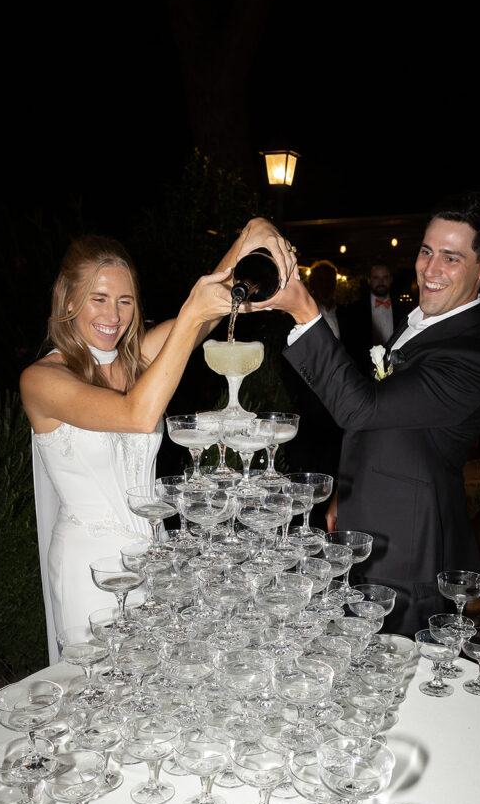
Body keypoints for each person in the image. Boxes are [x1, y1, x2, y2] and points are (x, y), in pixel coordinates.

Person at [21, 224, 295, 662]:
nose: (114, 315)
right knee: (103, 695)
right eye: (99, 298)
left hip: (155, 554)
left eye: (125, 301)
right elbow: (138, 415)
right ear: (69, 300)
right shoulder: (42, 380)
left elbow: (206, 312)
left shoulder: (136, 360)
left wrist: (249, 238)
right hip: (92, 569)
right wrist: (189, 317)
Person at [259, 192, 480, 634]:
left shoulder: (473, 356)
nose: (430, 270)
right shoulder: (427, 325)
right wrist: (347, 493)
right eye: (427, 252)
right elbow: (388, 423)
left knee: (394, 668)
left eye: (451, 258)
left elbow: (360, 407)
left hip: (409, 547)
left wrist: (304, 312)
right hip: (370, 518)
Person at [341, 261, 404, 373]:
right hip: (364, 372)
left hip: (397, 371)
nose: (381, 282)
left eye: (385, 277)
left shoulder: (403, 308)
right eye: (376, 278)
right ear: (369, 281)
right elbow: (350, 346)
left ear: (391, 279)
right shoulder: (354, 310)